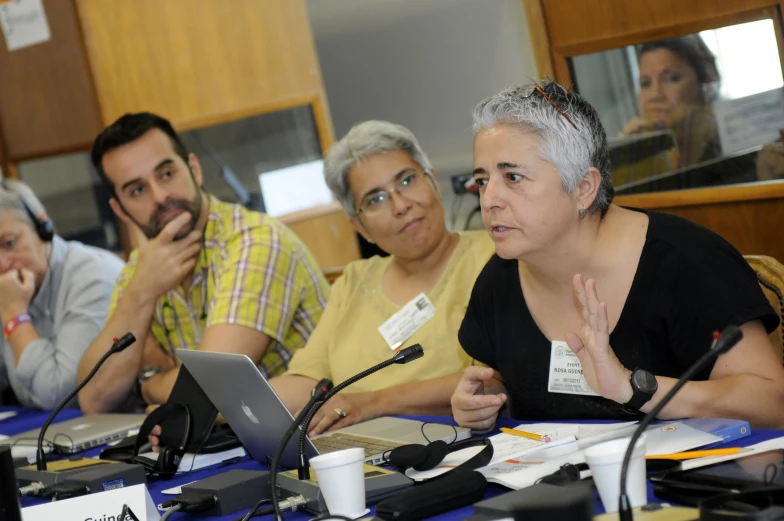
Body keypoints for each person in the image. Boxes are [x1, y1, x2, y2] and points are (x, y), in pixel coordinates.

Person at [451, 81, 784, 433]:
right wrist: (487, 400)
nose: (489, 201)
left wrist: (632, 388)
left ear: (583, 188)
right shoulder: (499, 278)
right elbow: (507, 380)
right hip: (558, 483)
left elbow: (772, 403)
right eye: (483, 180)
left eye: (513, 177)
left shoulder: (686, 262)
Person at [77, 113, 330, 414]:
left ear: (194, 170)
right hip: (228, 438)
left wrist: (147, 384)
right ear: (120, 210)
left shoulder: (254, 240)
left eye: (167, 174)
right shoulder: (142, 268)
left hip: (311, 431)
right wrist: (140, 293)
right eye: (138, 190)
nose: (160, 196)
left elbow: (215, 389)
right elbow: (94, 399)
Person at [267, 120, 496, 435]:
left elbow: (493, 380)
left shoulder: (495, 258)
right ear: (360, 227)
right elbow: (308, 382)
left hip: (462, 443)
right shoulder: (354, 281)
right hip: (365, 449)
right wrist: (234, 403)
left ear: (433, 182)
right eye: (375, 199)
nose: (401, 205)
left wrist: (373, 403)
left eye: (406, 180)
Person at [0, 179, 123, 409]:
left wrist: (15, 316)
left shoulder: (92, 277)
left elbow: (61, 395)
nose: (3, 263)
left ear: (42, 225)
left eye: (8, 243)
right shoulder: (10, 289)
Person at [619, 35, 722, 169]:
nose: (655, 95)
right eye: (645, 83)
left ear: (705, 83)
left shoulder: (730, 146)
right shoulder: (646, 156)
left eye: (672, 79)